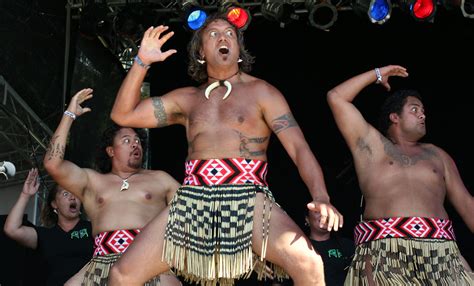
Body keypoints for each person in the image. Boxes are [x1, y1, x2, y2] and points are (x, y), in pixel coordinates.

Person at [108, 12, 343, 286]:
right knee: (122, 275)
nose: (224, 37)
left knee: (309, 263)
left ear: (239, 51)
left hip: (247, 196)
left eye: (230, 34)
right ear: (200, 51)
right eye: (214, 34)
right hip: (193, 199)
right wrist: (142, 62)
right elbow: (123, 115)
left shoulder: (262, 92)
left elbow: (299, 148)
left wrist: (321, 196)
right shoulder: (187, 99)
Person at [326, 65, 474, 285]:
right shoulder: (372, 146)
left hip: (442, 254)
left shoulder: (437, 154)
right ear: (394, 117)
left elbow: (466, 203)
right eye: (415, 109)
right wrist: (377, 75)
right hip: (384, 253)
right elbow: (336, 97)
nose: (423, 114)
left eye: (423, 110)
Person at [42, 88, 182, 286]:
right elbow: (52, 164)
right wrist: (69, 114)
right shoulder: (93, 181)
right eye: (127, 140)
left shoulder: (160, 179)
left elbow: (194, 207)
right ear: (110, 150)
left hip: (148, 262)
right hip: (101, 263)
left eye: (138, 141)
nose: (135, 144)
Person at [4, 168, 94, 286]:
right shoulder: (45, 235)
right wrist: (25, 195)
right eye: (66, 193)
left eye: (76, 194)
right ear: (54, 204)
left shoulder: (93, 228)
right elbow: (11, 229)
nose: (73, 197)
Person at [306, 210, 354, 286]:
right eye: (317, 211)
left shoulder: (346, 245)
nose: (324, 215)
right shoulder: (300, 247)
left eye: (327, 211)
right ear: (307, 219)